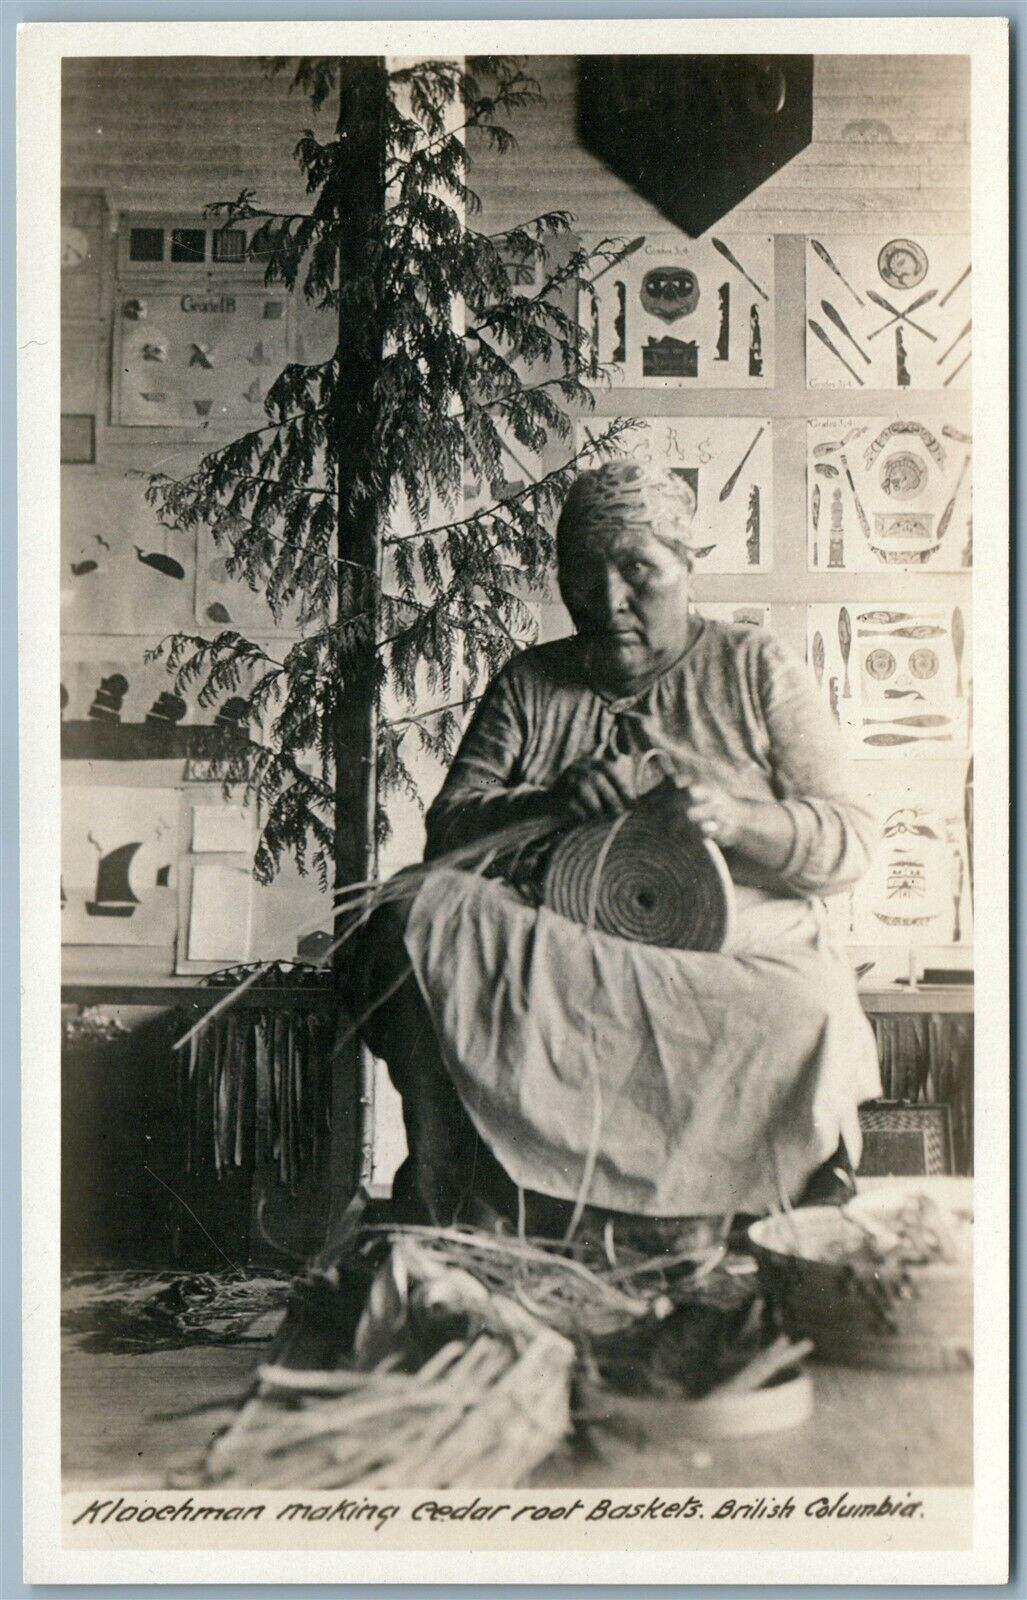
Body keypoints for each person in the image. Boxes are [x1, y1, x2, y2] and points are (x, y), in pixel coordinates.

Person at [345, 462, 881, 1241]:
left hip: (733, 933)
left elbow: (849, 841)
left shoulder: (753, 667)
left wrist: (734, 819)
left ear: (685, 568)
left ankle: (740, 1208)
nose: (609, 599)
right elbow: (450, 827)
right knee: (410, 916)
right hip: (560, 931)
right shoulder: (532, 681)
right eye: (582, 574)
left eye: (638, 570)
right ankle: (455, 1190)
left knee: (807, 1004)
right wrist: (549, 804)